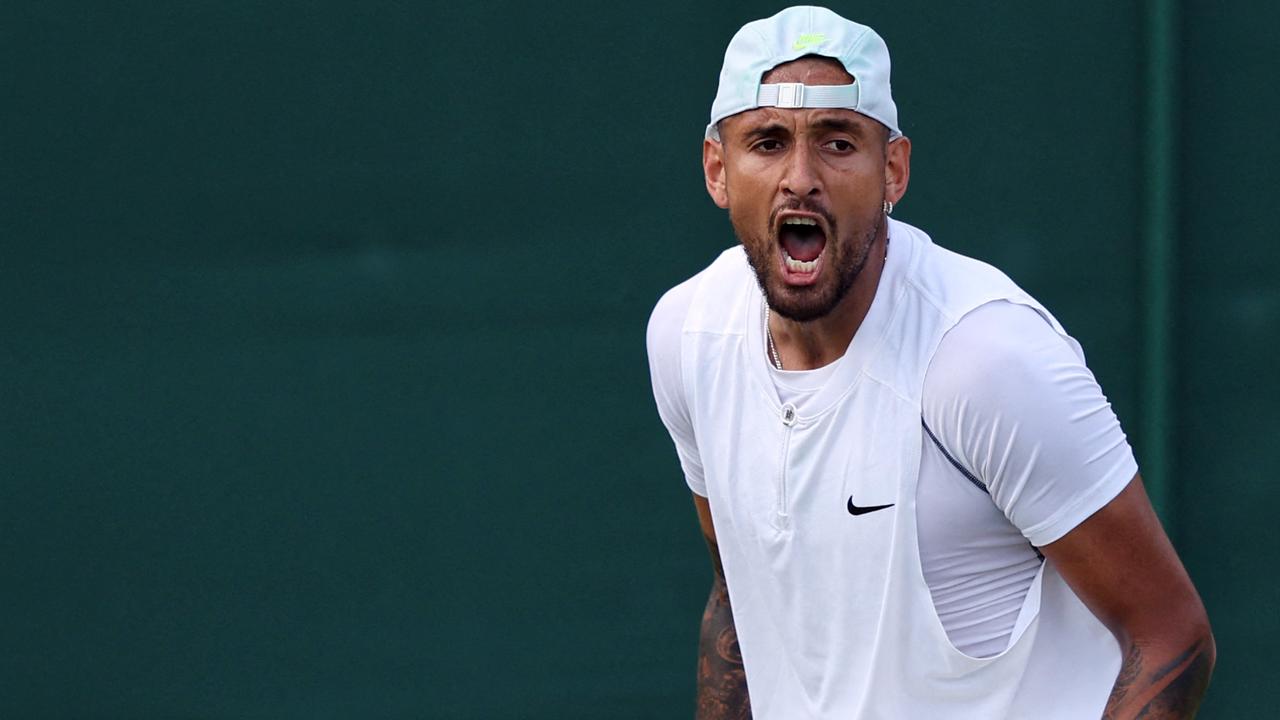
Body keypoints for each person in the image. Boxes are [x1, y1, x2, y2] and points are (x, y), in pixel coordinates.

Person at [645, 6, 1214, 719]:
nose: (800, 178)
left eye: (838, 144)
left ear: (894, 170)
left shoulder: (986, 358)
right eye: (767, 142)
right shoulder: (688, 335)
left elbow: (1170, 634)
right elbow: (739, 587)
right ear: (717, 170)